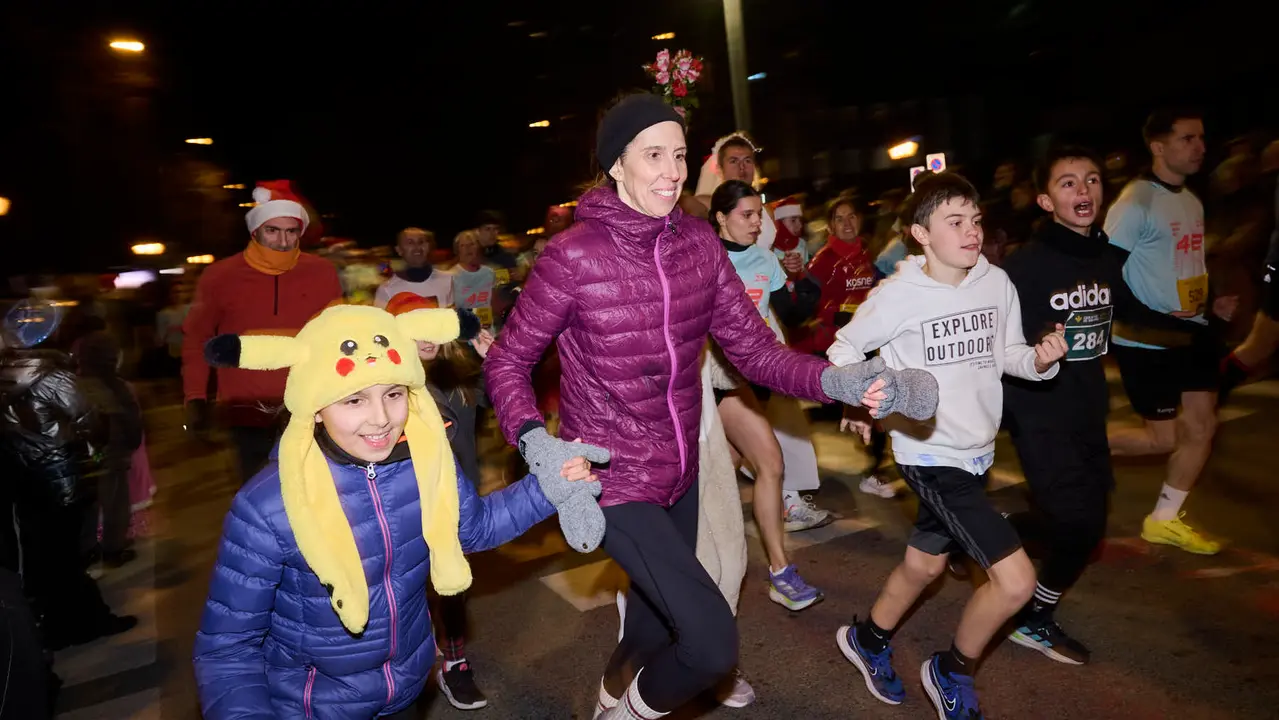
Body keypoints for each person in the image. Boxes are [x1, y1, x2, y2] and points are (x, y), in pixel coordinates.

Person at [485, 93, 936, 720]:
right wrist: (536, 440)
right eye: (652, 156)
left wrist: (841, 381)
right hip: (612, 479)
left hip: (682, 472)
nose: (670, 171)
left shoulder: (698, 244)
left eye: (678, 156)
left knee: (646, 632)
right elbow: (507, 362)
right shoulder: (572, 257)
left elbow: (755, 352)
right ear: (617, 165)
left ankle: (605, 701)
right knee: (709, 644)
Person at [192, 303, 596, 719]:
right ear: (314, 405)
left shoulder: (426, 463)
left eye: (393, 393)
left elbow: (474, 529)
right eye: (354, 400)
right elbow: (228, 649)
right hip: (313, 707)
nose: (381, 419)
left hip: (405, 691)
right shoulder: (267, 507)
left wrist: (548, 487)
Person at [830, 171, 1066, 719]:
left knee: (925, 566)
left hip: (977, 450)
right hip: (929, 455)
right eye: (954, 222)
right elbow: (844, 349)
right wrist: (861, 397)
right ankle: (951, 670)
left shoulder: (995, 282)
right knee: (1016, 582)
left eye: (976, 220)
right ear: (920, 234)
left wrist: (1038, 359)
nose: (971, 232)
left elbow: (1007, 355)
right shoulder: (899, 295)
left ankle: (867, 639)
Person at [1002, 146, 1205, 666]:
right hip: (1038, 409)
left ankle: (989, 531)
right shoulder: (1024, 267)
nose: (1084, 191)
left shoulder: (1102, 255)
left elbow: (1127, 307)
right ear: (1046, 200)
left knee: (1079, 520)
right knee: (1081, 525)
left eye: (1091, 180)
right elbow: (995, 339)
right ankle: (1032, 619)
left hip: (1088, 407)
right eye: (1068, 183)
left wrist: (1190, 324)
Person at [1104, 109, 1237, 554]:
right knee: (1162, 438)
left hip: (1192, 332)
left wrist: (1212, 298)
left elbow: (1191, 262)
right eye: (1187, 139)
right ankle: (1074, 443)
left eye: (1201, 138)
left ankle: (1163, 518)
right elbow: (1107, 273)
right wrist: (1153, 320)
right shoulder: (1135, 202)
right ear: (1158, 147)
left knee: (1202, 426)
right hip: (1148, 339)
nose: (1199, 147)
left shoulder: (1191, 199)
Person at [707, 180, 825, 610]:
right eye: (747, 215)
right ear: (720, 217)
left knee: (729, 468)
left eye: (760, 214)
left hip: (748, 378)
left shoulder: (764, 259)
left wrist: (800, 277)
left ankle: (714, 569)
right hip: (710, 379)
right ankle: (778, 571)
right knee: (770, 463)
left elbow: (792, 315)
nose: (759, 223)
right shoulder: (704, 259)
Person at [182, 180, 343, 481]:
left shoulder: (321, 272)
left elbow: (335, 334)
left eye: (291, 231)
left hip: (310, 406)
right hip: (246, 412)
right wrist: (196, 396)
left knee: (315, 491)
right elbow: (197, 337)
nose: (282, 241)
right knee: (259, 497)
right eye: (272, 230)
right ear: (255, 231)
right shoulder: (220, 276)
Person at [0, 306, 137, 650]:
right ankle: (88, 621)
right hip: (61, 474)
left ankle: (55, 625)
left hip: (20, 476)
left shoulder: (3, 374)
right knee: (70, 553)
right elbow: (89, 419)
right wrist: (97, 447)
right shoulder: (53, 375)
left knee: (43, 553)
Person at [386, 291, 495, 710]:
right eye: (416, 325)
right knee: (408, 593)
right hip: (405, 509)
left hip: (456, 504)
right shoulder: (387, 387)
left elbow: (507, 392)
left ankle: (454, 662)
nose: (428, 334)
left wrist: (497, 358)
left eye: (434, 323)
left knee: (452, 587)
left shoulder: (459, 376)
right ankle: (409, 664)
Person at [73, 330, 144, 568]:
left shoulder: (75, 384)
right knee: (115, 504)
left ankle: (86, 553)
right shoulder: (117, 387)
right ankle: (113, 550)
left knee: (88, 507)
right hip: (112, 456)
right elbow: (131, 422)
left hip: (83, 458)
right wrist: (131, 445)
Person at [374, 228, 453, 309]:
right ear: (399, 250)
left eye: (421, 242)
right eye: (410, 242)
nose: (417, 247)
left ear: (429, 247)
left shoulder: (449, 280)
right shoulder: (386, 289)